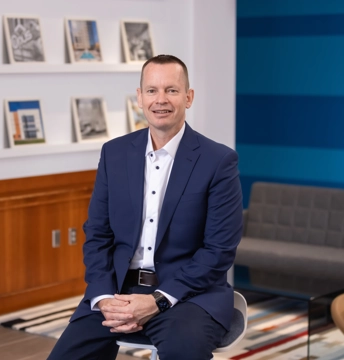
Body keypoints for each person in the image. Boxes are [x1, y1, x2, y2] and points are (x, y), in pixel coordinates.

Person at [47, 54, 243, 360]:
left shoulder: (218, 161)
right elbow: (97, 234)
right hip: (118, 291)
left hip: (188, 296)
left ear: (188, 97)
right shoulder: (114, 153)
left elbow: (218, 250)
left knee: (183, 352)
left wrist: (158, 300)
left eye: (172, 90)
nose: (160, 100)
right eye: (151, 90)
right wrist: (101, 296)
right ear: (139, 97)